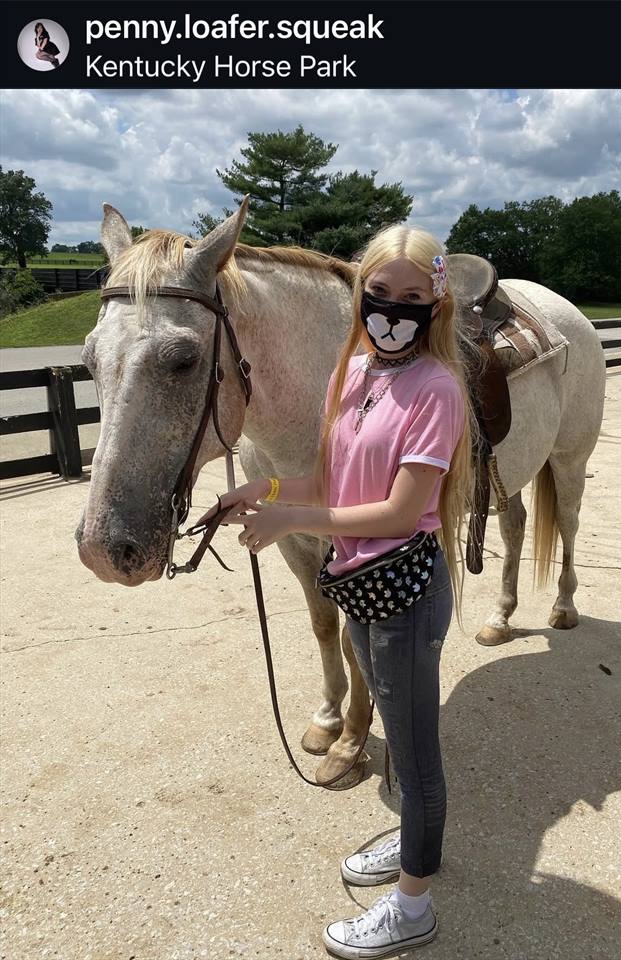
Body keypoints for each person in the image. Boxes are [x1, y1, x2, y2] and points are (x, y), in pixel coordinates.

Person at [195, 223, 474, 958]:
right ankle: (414, 843)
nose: (391, 309)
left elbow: (396, 511)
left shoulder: (437, 389)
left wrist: (291, 517)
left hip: (404, 592)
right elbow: (337, 477)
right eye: (378, 293)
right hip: (358, 584)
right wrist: (267, 485)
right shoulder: (353, 372)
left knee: (412, 754)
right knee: (387, 714)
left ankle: (412, 905)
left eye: (411, 297)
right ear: (359, 293)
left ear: (436, 304)